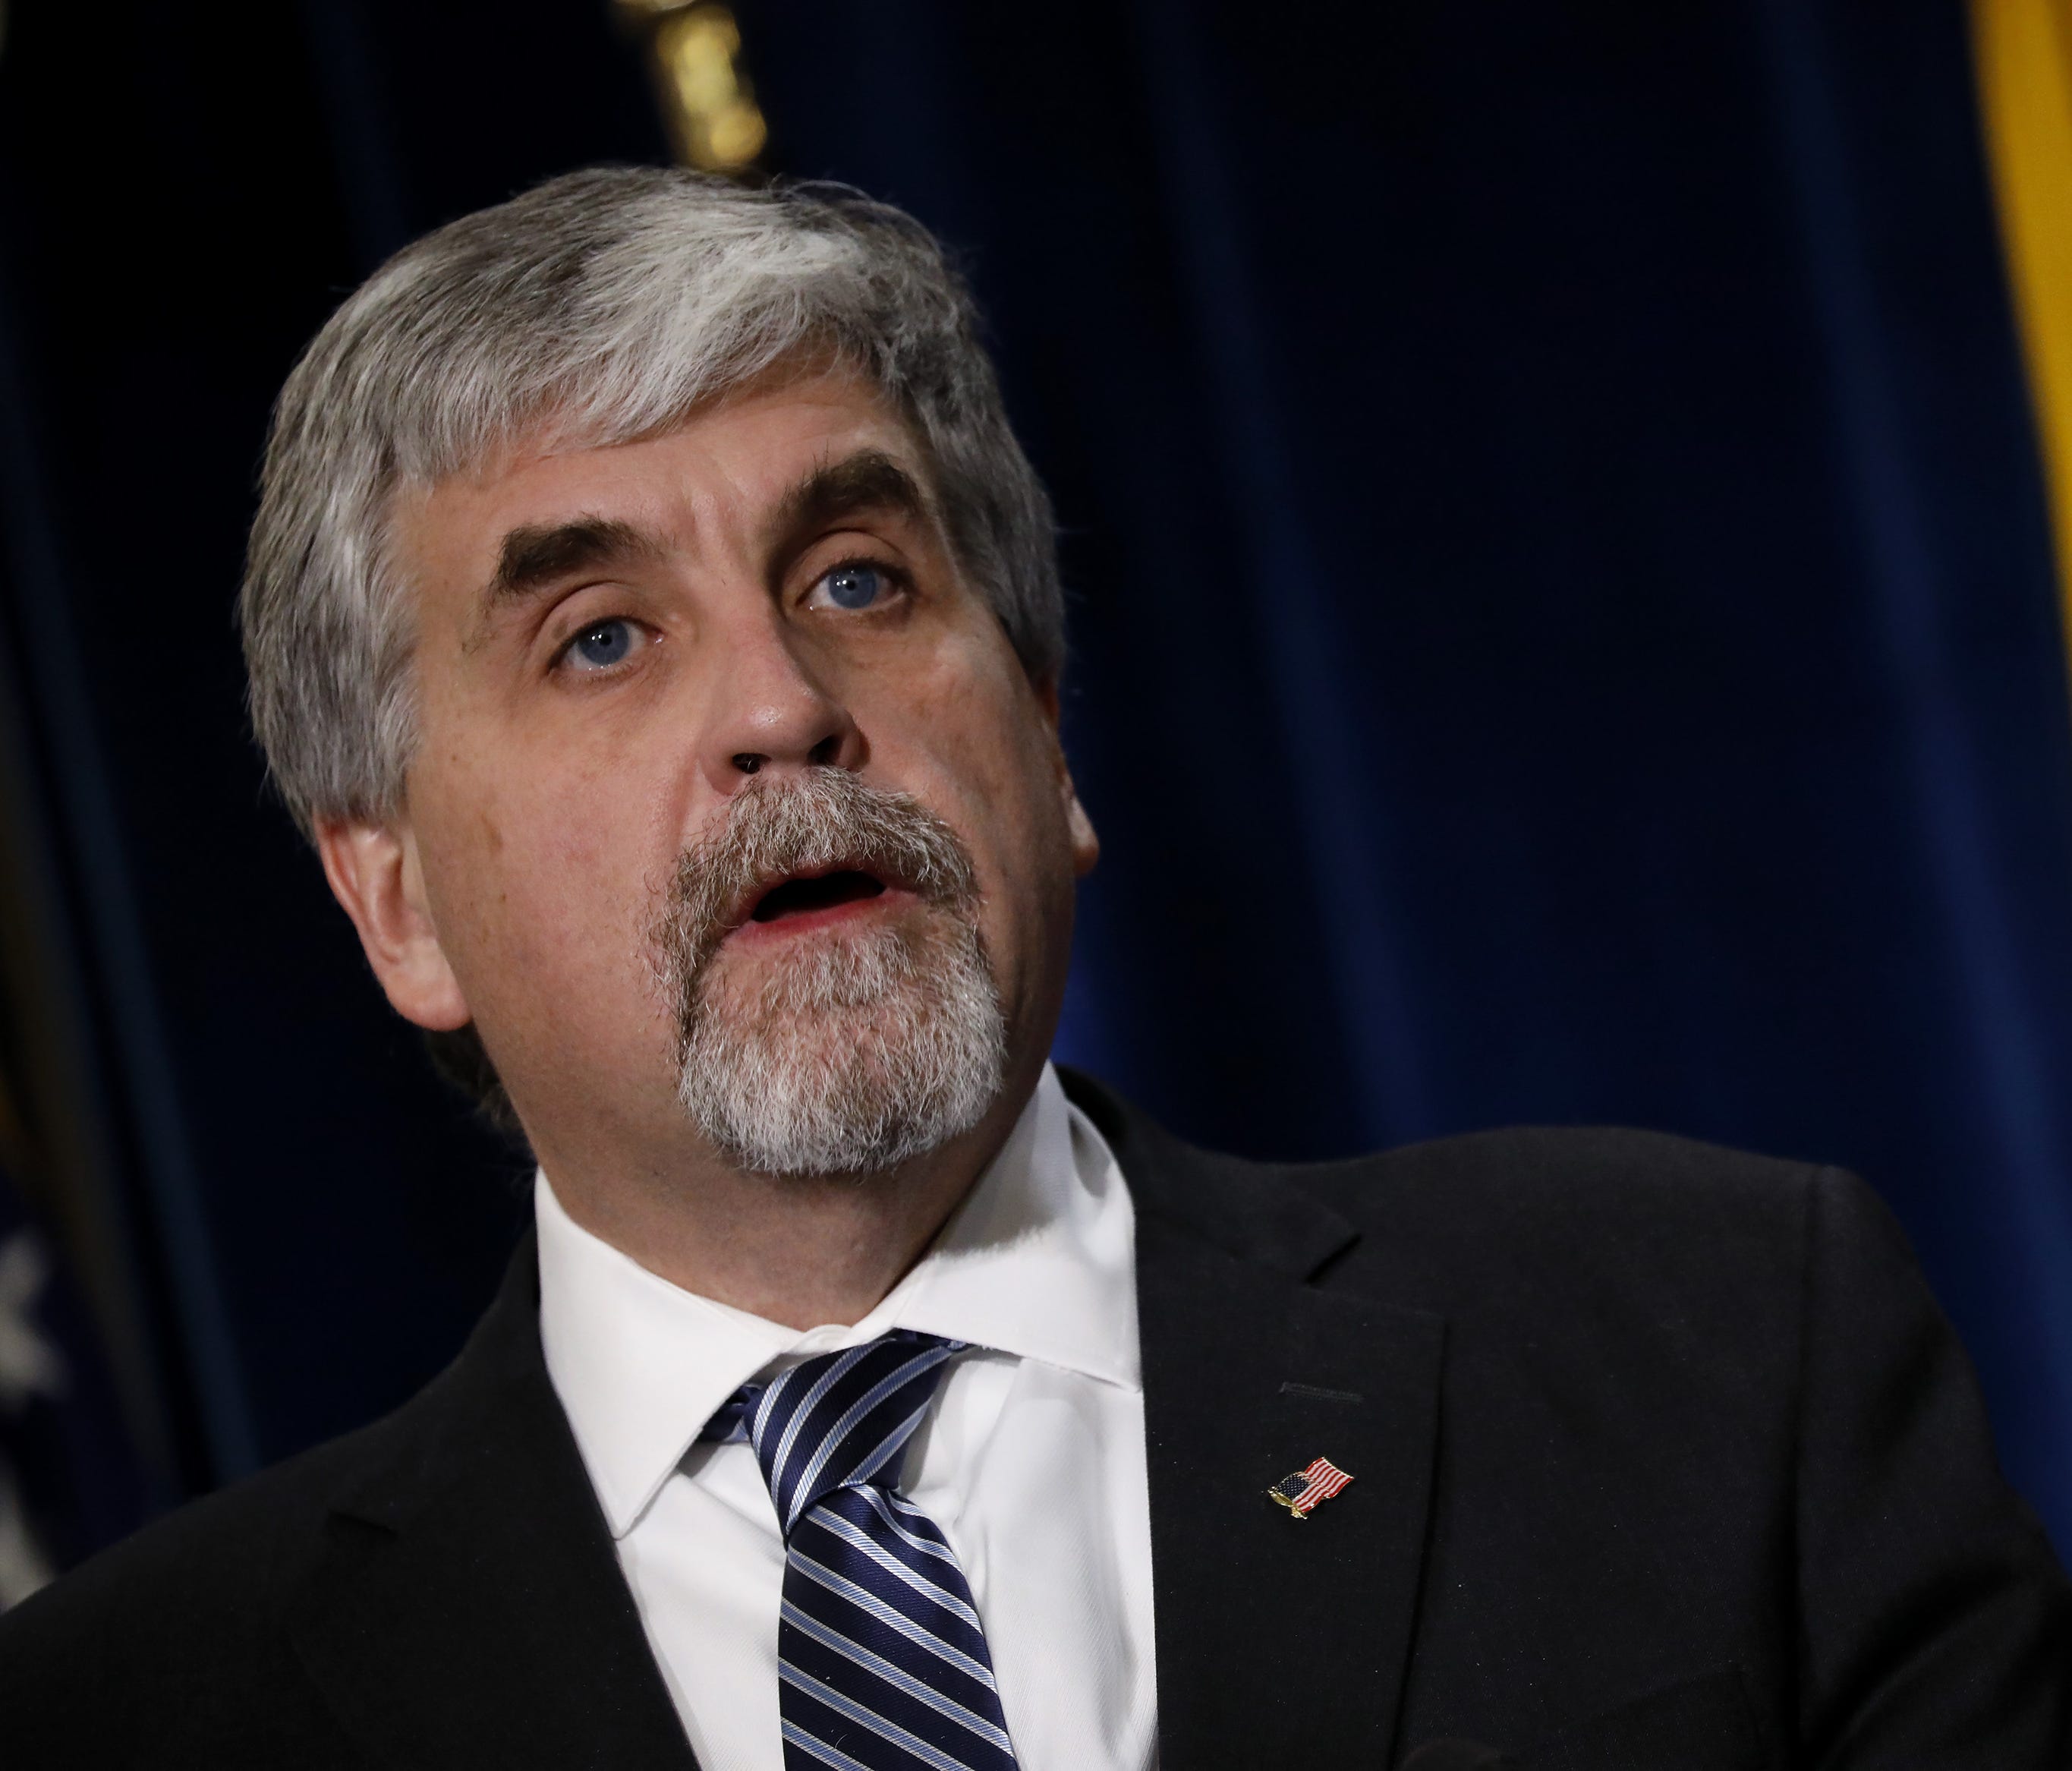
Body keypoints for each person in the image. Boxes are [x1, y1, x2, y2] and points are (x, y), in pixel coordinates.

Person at [0, 166, 2066, 1771]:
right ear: (398, 908)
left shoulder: (1706, 1345)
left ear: (1048, 739)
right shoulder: (124, 1719)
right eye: (600, 636)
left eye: (858, 578)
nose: (782, 708)